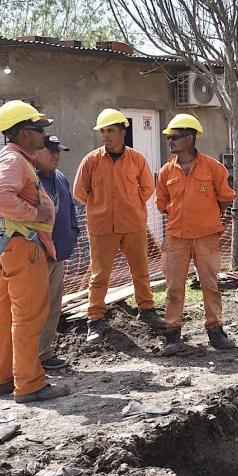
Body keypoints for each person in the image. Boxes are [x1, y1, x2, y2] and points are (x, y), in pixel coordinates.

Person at [0, 100, 69, 403]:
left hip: (9, 243)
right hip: (22, 245)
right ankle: (30, 383)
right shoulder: (15, 161)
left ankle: (0, 378)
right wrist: (33, 214)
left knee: (4, 314)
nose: (43, 134)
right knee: (29, 316)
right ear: (22, 133)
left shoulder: (10, 158)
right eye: (38, 128)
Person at [73, 108, 164, 342]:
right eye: (103, 131)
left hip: (133, 225)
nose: (106, 136)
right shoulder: (91, 161)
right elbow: (80, 192)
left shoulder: (137, 159)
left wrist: (129, 204)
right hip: (101, 227)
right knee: (99, 276)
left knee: (141, 271)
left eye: (111, 131)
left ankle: (147, 310)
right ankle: (95, 319)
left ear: (123, 132)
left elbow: (148, 188)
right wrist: (101, 206)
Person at [155, 113, 237, 355]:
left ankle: (215, 330)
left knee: (210, 285)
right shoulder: (166, 171)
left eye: (175, 137)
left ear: (189, 139)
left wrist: (208, 217)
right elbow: (162, 203)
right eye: (169, 137)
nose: (170, 141)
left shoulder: (213, 168)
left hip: (206, 237)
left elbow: (225, 198)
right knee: (173, 288)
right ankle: (172, 334)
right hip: (175, 238)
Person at [34, 134, 79, 370]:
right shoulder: (30, 178)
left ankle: (44, 354)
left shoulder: (60, 177)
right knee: (33, 309)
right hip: (36, 255)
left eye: (58, 151)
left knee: (53, 307)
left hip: (58, 254)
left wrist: (72, 232)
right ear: (36, 151)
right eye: (50, 150)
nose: (56, 155)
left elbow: (70, 207)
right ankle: (26, 358)